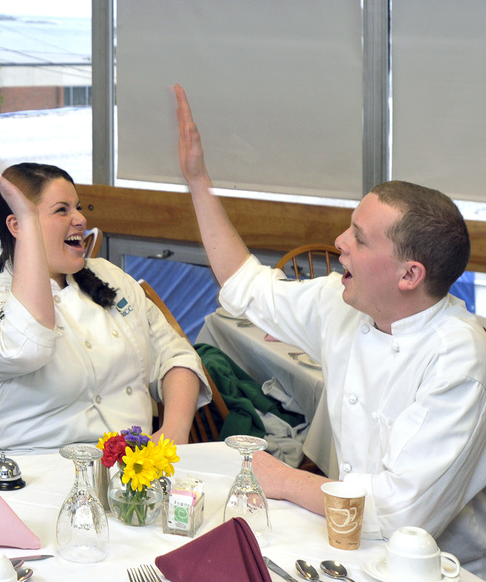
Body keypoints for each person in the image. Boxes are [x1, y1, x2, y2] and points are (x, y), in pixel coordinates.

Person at [174, 84, 486, 574]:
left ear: (410, 275)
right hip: (344, 540)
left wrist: (281, 478)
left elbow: (400, 511)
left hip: (435, 567)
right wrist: (197, 180)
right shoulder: (343, 305)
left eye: (358, 239)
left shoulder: (459, 357)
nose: (339, 242)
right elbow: (247, 287)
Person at [0, 160, 211, 458]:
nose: (80, 218)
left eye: (78, 207)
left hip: (128, 470)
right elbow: (28, 345)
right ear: (17, 226)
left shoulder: (109, 277)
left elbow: (175, 355)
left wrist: (174, 431)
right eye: (62, 210)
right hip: (26, 468)